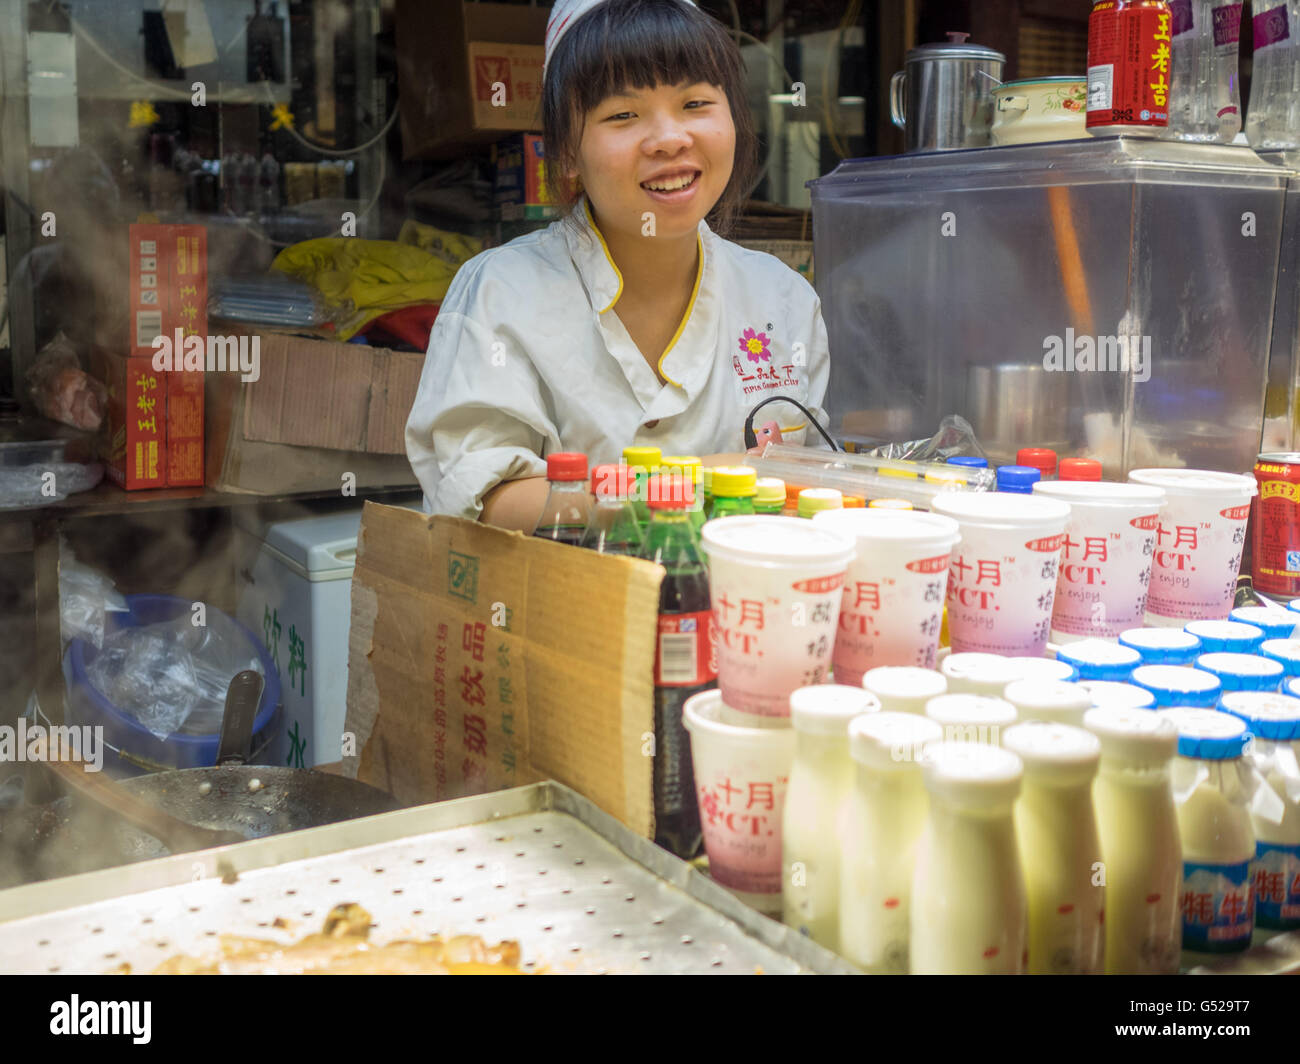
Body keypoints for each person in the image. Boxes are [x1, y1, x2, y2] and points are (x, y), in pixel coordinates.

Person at [406, 0, 831, 530]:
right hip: (565, 608)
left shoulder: (783, 298)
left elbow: (813, 486)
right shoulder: (500, 292)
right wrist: (706, 481)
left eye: (695, 102)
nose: (670, 139)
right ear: (564, 151)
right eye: (623, 115)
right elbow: (485, 500)